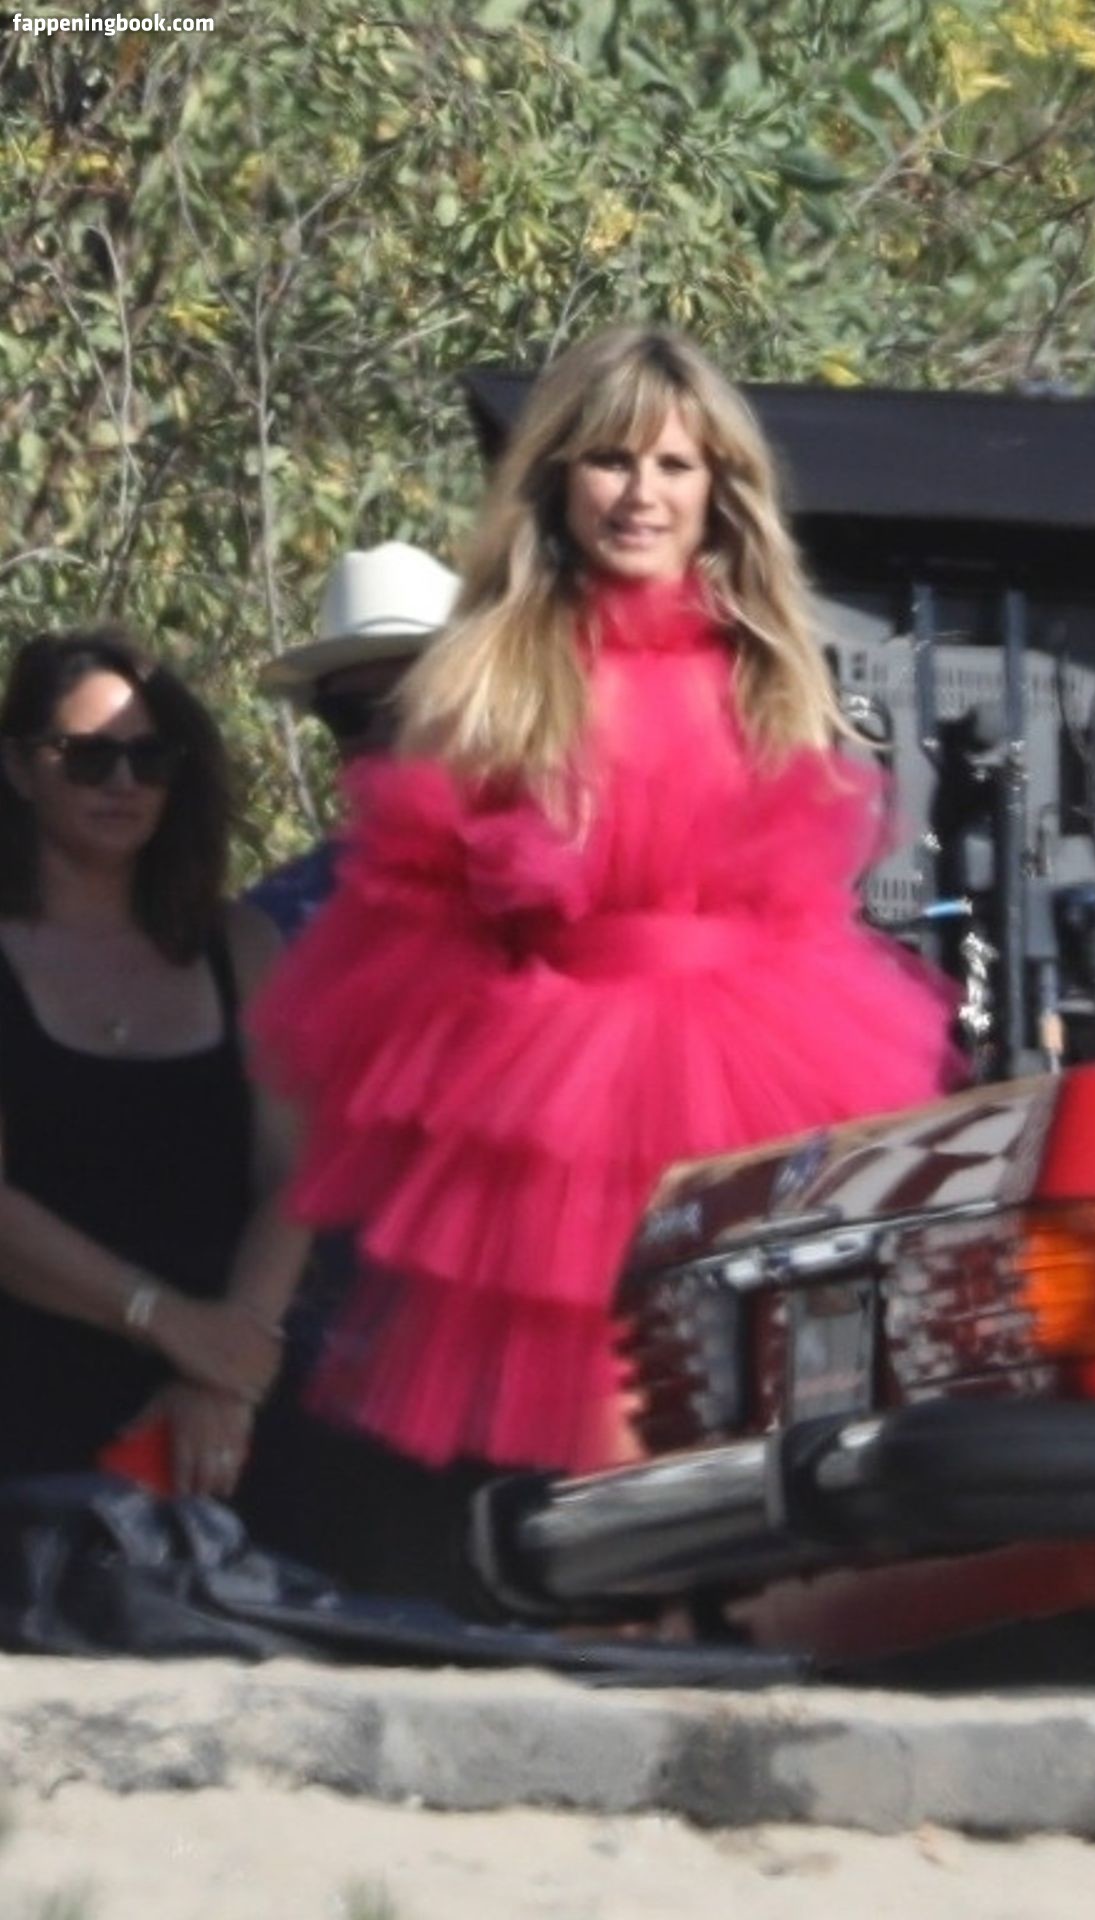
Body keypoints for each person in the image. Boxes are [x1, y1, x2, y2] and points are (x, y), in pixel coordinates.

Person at [253, 325, 960, 1485]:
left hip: (765, 1073)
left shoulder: (766, 667)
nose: (641, 494)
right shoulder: (489, 673)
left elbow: (799, 901)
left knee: (758, 1419)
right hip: (561, 1095)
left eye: (673, 464)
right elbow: (404, 913)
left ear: (718, 489)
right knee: (605, 1439)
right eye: (610, 460)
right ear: (558, 476)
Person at [0, 628, 307, 1498]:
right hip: (34, 1419)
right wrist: (169, 1322)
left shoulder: (243, 945)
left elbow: (295, 1176)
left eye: (151, 757)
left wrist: (230, 1358)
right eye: (87, 757)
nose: (124, 783)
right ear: (18, 769)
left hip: (228, 1423)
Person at [248, 541, 459, 939]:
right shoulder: (273, 921)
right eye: (347, 714)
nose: (378, 734)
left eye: (405, 706)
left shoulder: (542, 894)